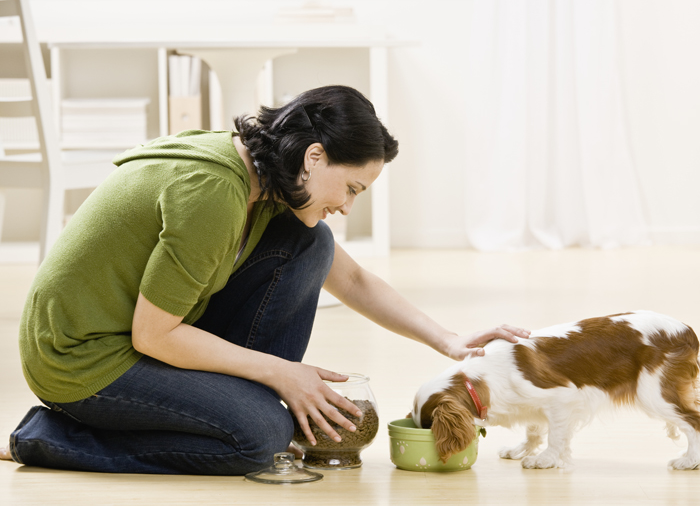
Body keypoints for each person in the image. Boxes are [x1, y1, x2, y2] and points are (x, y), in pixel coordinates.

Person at [0, 85, 529, 475]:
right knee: (258, 440)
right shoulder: (212, 192)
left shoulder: (266, 175)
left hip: (140, 334)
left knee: (312, 243)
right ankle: (45, 437)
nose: (346, 206)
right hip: (82, 360)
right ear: (314, 156)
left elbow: (354, 280)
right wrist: (281, 373)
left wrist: (448, 341)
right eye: (351, 188)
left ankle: (245, 403)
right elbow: (153, 336)